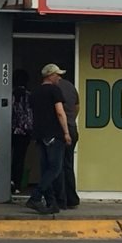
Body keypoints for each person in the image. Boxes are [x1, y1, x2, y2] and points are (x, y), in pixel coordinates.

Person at [25, 63, 72, 214]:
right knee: (55, 168)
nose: (59, 77)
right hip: (54, 135)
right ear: (50, 75)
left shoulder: (34, 92)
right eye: (57, 75)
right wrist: (66, 132)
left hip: (39, 135)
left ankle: (51, 203)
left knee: (46, 168)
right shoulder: (54, 90)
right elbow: (60, 112)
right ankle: (36, 197)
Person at [55, 76, 81, 209]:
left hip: (61, 129)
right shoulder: (70, 86)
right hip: (72, 128)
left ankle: (60, 199)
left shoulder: (54, 88)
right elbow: (77, 106)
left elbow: (59, 112)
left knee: (57, 166)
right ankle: (72, 199)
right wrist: (71, 120)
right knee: (68, 165)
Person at [10, 69, 32, 195]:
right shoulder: (29, 95)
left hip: (10, 129)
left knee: (5, 156)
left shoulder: (10, 94)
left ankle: (5, 181)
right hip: (24, 131)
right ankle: (16, 183)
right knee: (19, 158)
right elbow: (30, 115)